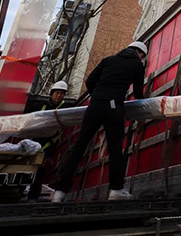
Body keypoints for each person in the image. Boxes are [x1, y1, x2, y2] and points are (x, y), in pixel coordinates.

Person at [52, 42, 148, 203]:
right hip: (113, 107)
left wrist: (99, 95)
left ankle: (60, 192)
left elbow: (89, 82)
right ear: (139, 53)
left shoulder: (108, 60)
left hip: (94, 106)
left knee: (79, 145)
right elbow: (138, 93)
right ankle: (116, 189)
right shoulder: (137, 64)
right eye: (142, 56)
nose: (142, 59)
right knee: (115, 148)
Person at [27, 81, 67, 201]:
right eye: (57, 93)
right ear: (52, 94)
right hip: (35, 141)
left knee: (40, 171)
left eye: (62, 94)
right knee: (27, 168)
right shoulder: (42, 105)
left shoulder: (66, 108)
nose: (59, 96)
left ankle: (32, 197)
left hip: (49, 143)